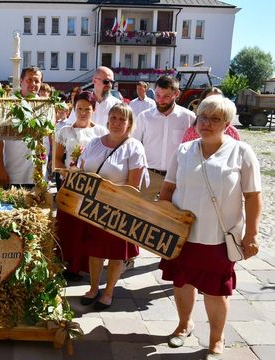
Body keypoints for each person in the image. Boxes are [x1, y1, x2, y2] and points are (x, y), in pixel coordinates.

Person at [158, 95, 262, 358]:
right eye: (203, 117)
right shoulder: (184, 150)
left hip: (218, 238)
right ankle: (184, 326)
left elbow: (252, 196)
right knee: (182, 283)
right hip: (183, 235)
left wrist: (251, 234)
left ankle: (217, 338)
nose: (207, 123)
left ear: (227, 123)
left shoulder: (241, 152)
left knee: (216, 291)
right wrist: (163, 221)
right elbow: (168, 188)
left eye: (215, 119)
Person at [76, 103, 148, 309]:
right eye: (113, 118)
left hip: (119, 209)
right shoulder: (95, 143)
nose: (116, 123)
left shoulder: (134, 147)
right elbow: (82, 169)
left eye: (122, 119)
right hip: (93, 207)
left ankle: (108, 292)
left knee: (116, 255)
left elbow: (134, 185)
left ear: (129, 123)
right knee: (95, 251)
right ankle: (93, 288)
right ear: (107, 120)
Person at [55, 91, 108, 281]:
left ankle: (84, 265)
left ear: (94, 109)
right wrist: (67, 173)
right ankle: (67, 263)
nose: (83, 113)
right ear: (73, 109)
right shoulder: (64, 131)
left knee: (87, 228)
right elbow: (58, 160)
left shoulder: (101, 132)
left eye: (87, 109)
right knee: (68, 226)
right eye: (79, 109)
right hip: (70, 185)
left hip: (92, 186)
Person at [133, 75, 196, 201]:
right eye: (157, 95)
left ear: (176, 93)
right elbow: (134, 147)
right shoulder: (144, 117)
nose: (160, 101)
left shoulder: (189, 118)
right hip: (149, 177)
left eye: (166, 96)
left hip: (177, 179)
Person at [0, 66, 43, 188]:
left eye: (37, 81)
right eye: (29, 80)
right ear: (21, 81)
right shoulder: (8, 104)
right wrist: (0, 168)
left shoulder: (45, 105)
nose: (33, 84)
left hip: (37, 173)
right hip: (12, 172)